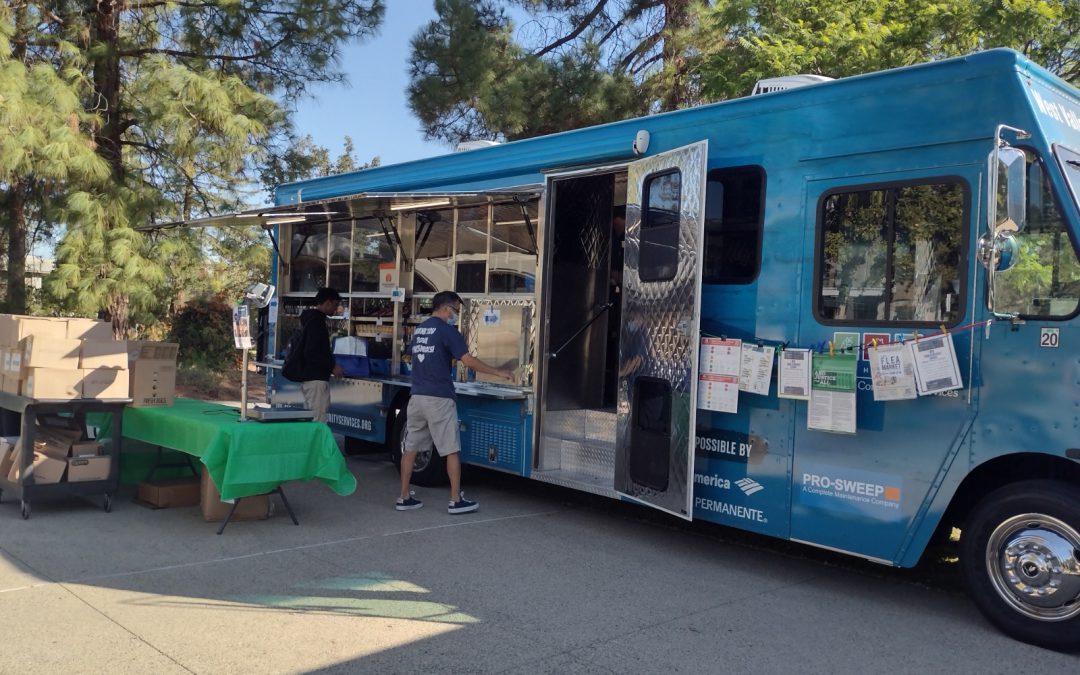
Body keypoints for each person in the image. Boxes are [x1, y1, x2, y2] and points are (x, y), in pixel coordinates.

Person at [397, 291, 514, 514]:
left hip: (417, 396)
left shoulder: (421, 330)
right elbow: (467, 360)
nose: (456, 316)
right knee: (451, 449)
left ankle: (403, 496)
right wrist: (498, 372)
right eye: (456, 311)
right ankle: (455, 500)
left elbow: (420, 357)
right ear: (446, 308)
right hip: (439, 398)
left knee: (411, 447)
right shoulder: (446, 331)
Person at [295, 287, 344, 423]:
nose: (336, 308)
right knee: (318, 421)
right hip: (316, 379)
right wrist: (332, 366)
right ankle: (315, 445)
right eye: (335, 304)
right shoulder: (317, 323)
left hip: (311, 378)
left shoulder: (311, 320)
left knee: (313, 418)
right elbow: (312, 352)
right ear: (327, 302)